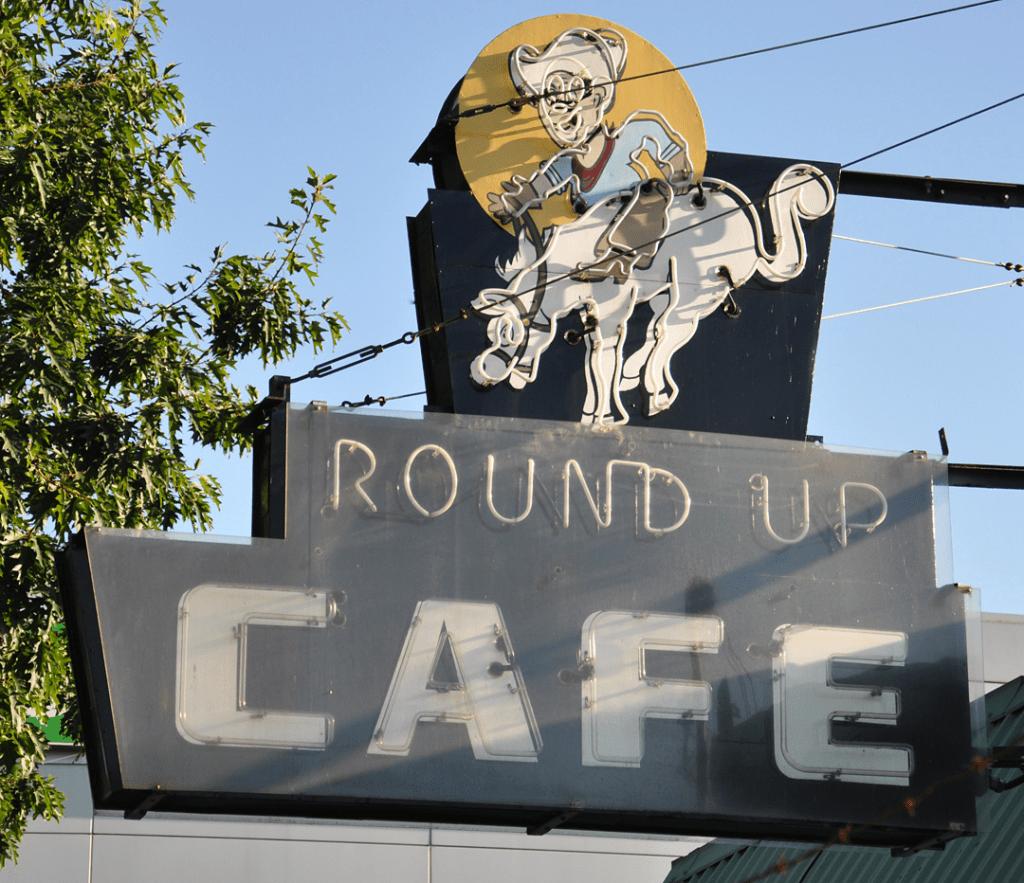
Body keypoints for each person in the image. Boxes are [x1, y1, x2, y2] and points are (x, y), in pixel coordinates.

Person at [487, 27, 695, 283]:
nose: (561, 114)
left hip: (636, 220)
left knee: (653, 193)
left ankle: (622, 260)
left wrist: (678, 172)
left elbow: (654, 132)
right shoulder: (567, 163)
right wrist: (513, 204)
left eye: (570, 103)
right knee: (561, 237)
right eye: (552, 103)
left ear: (598, 98)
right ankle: (596, 264)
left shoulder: (624, 140)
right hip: (597, 228)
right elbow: (540, 185)